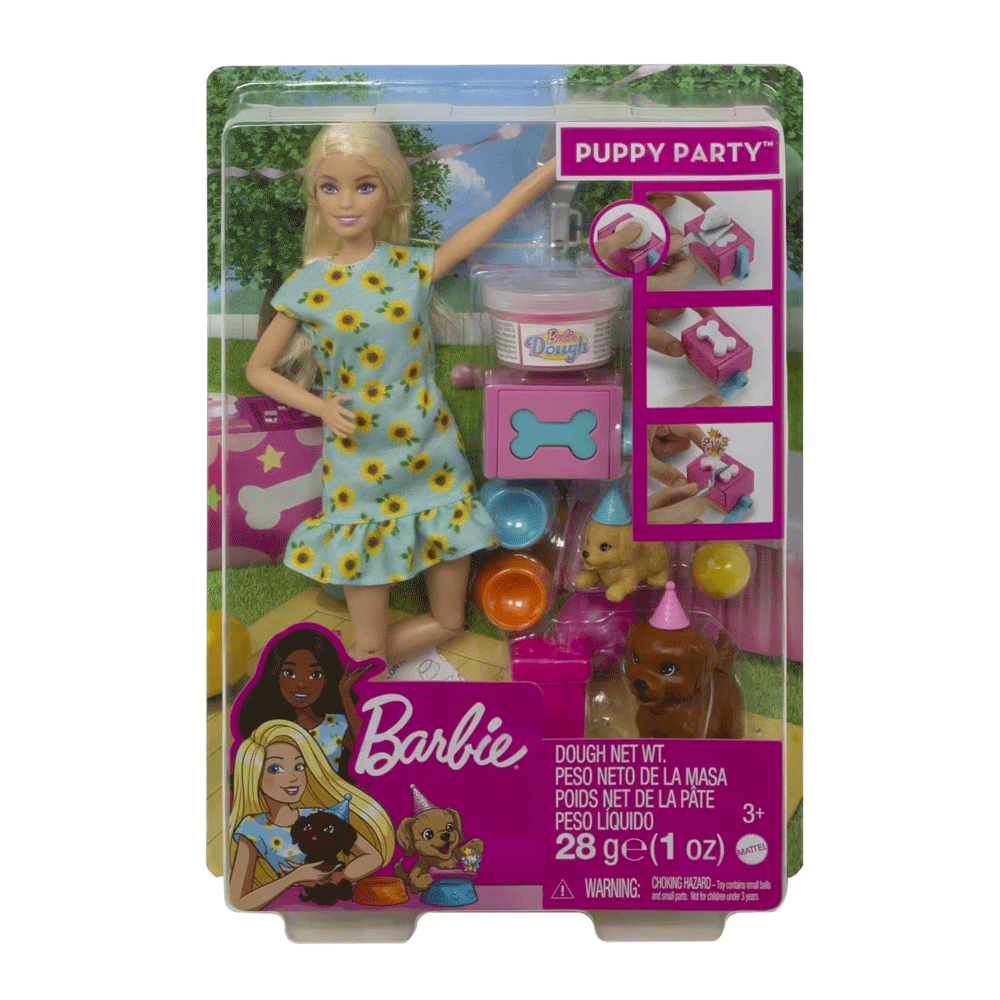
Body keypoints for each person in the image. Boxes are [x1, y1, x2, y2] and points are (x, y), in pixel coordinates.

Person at [246, 123, 556, 666]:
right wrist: (321, 406)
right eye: (330, 187)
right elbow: (258, 370)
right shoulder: (307, 286)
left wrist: (556, 166)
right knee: (368, 641)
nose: (346, 203)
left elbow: (496, 216)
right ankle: (348, 670)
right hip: (358, 458)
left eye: (364, 186)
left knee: (450, 622)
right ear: (314, 195)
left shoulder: (411, 266)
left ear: (388, 191)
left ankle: (342, 673)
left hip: (428, 450)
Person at [228, 720, 395, 911]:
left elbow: (373, 857)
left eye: (299, 767)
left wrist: (337, 876)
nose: (293, 777)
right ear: (253, 774)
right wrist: (296, 876)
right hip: (290, 906)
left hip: (338, 905)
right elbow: (238, 901)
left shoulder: (319, 815)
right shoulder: (251, 827)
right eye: (275, 769)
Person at [233, 625, 364, 775]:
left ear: (327, 679)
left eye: (315, 675)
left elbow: (365, 748)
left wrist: (345, 695)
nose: (301, 684)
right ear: (275, 673)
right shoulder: (270, 730)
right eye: (289, 673)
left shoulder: (336, 725)